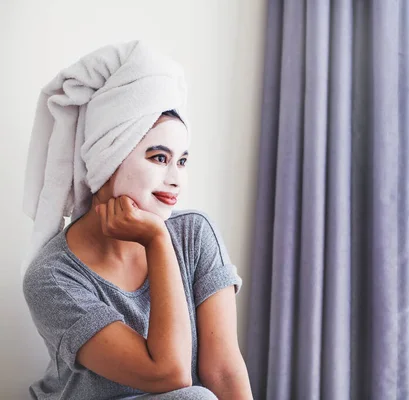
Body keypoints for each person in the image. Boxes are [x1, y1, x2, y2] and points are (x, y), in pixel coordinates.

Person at [21, 41, 253, 399]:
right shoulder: (51, 278)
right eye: (159, 157)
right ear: (107, 158)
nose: (176, 178)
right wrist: (158, 241)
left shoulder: (195, 233)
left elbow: (222, 371)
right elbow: (170, 374)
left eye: (183, 161)